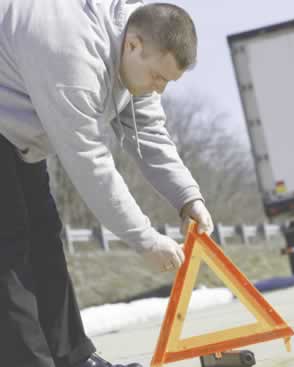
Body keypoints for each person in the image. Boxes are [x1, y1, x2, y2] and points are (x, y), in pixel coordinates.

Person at [0, 1, 214, 366]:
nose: (159, 89)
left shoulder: (140, 47)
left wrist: (188, 198)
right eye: (158, 77)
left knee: (44, 233)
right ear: (132, 45)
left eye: (166, 81)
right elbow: (89, 163)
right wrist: (144, 239)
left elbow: (148, 132)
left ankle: (74, 358)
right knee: (10, 242)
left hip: (16, 127)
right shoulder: (71, 56)